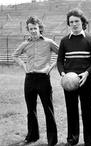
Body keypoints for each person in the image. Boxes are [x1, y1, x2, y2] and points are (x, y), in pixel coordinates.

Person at [12, 16, 58, 146]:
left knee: (48, 109)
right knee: (30, 110)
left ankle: (52, 140)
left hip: (43, 78)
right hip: (30, 79)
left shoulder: (49, 42)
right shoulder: (25, 44)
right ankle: (32, 136)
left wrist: (51, 66)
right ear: (28, 30)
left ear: (40, 28)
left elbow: (61, 54)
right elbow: (15, 55)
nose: (33, 31)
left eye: (35, 28)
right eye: (30, 29)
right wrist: (23, 66)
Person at [57, 8, 91, 146]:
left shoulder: (90, 39)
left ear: (82, 22)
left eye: (77, 21)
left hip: (85, 80)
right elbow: (59, 61)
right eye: (71, 22)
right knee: (71, 110)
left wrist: (87, 73)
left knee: (88, 111)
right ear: (68, 24)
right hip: (69, 82)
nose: (74, 24)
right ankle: (72, 139)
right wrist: (63, 74)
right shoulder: (64, 41)